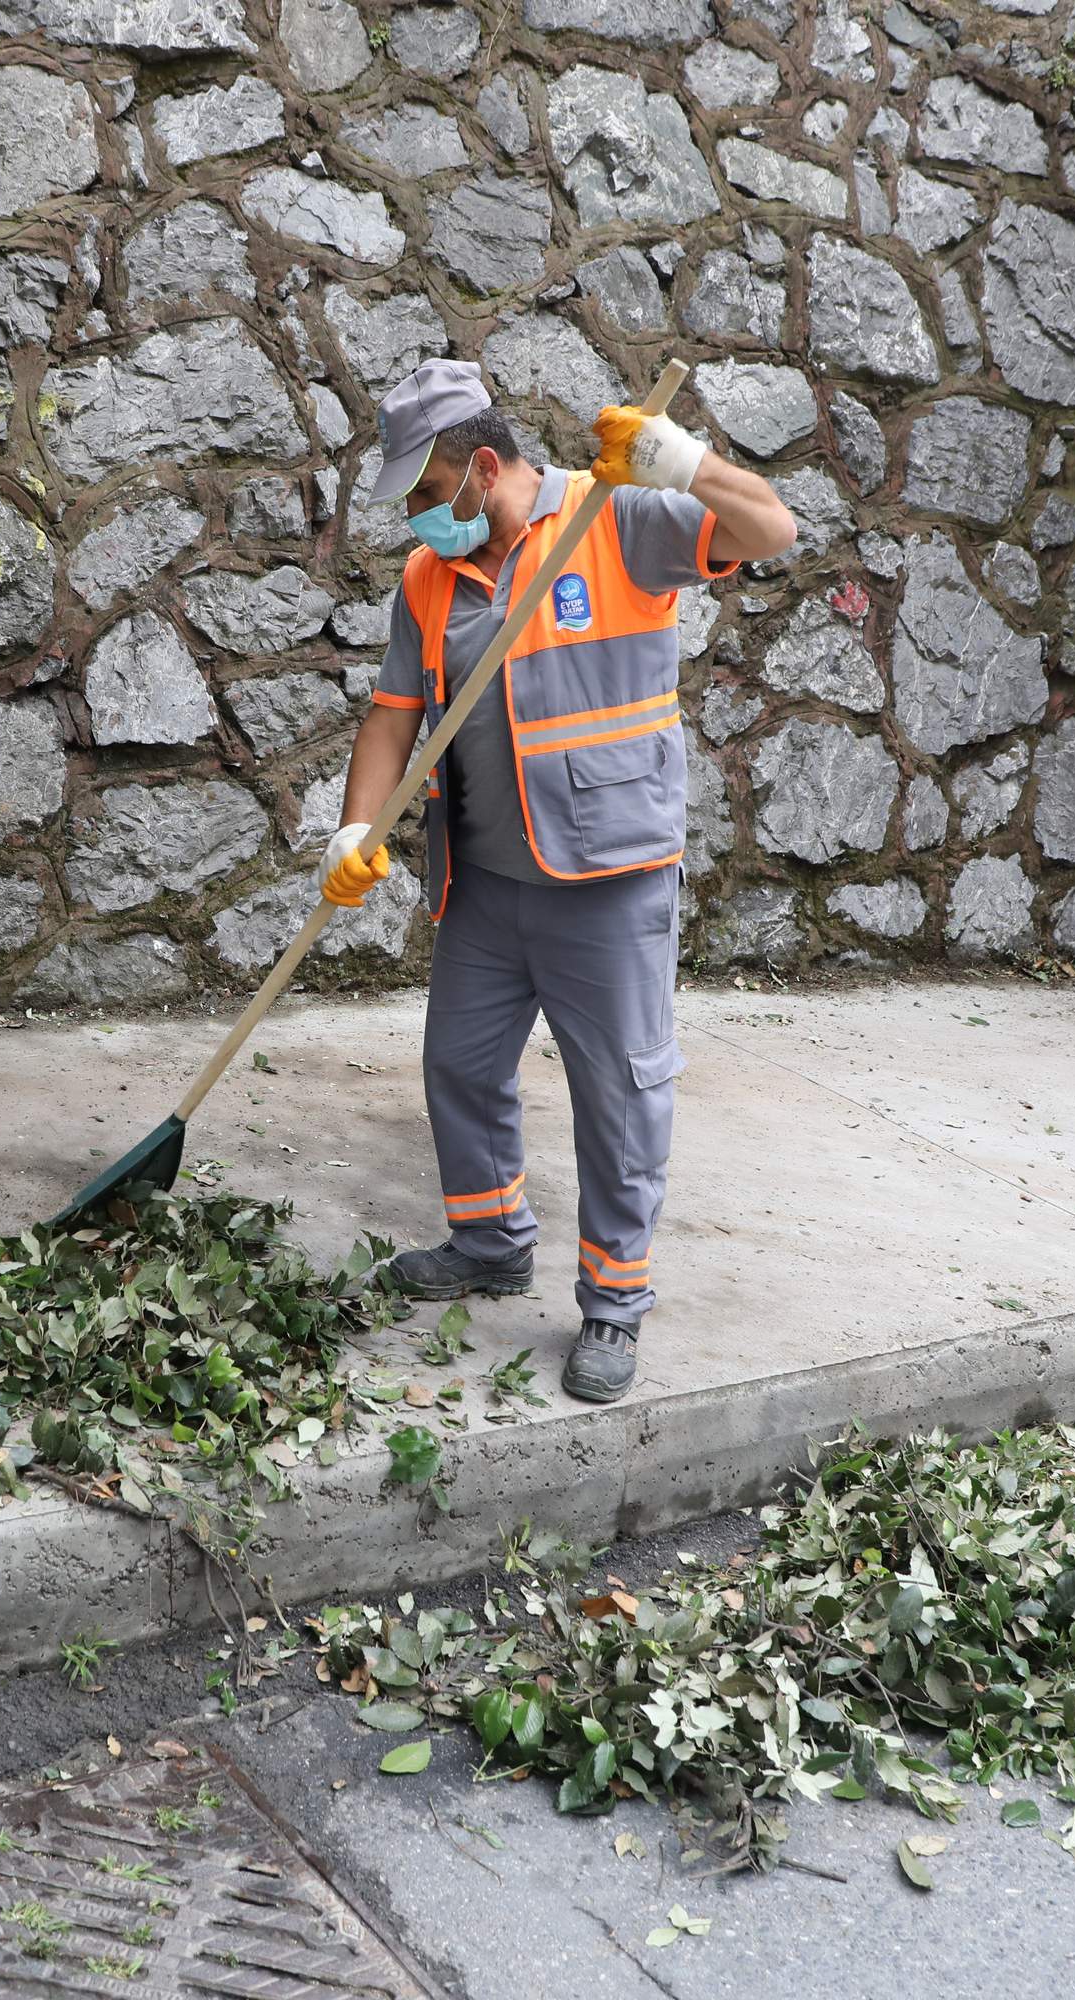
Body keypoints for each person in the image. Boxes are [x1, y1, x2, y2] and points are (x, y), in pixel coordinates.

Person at [322, 358, 797, 1404]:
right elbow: (394, 713)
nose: (414, 516)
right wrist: (355, 825)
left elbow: (772, 529)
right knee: (459, 1062)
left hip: (609, 878)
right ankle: (490, 1239)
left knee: (620, 1092)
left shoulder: (614, 519)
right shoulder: (428, 579)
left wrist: (680, 460)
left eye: (423, 492)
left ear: (481, 468)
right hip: (487, 882)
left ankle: (614, 1304)